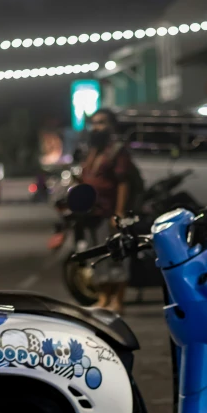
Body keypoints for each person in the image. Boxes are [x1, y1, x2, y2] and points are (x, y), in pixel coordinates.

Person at [81, 108, 133, 314]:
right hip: (91, 213)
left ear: (111, 126)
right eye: (94, 123)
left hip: (109, 212)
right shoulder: (92, 150)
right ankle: (103, 299)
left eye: (101, 122)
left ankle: (117, 301)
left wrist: (119, 212)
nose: (97, 127)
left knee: (116, 257)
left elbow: (123, 183)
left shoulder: (117, 151)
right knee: (97, 258)